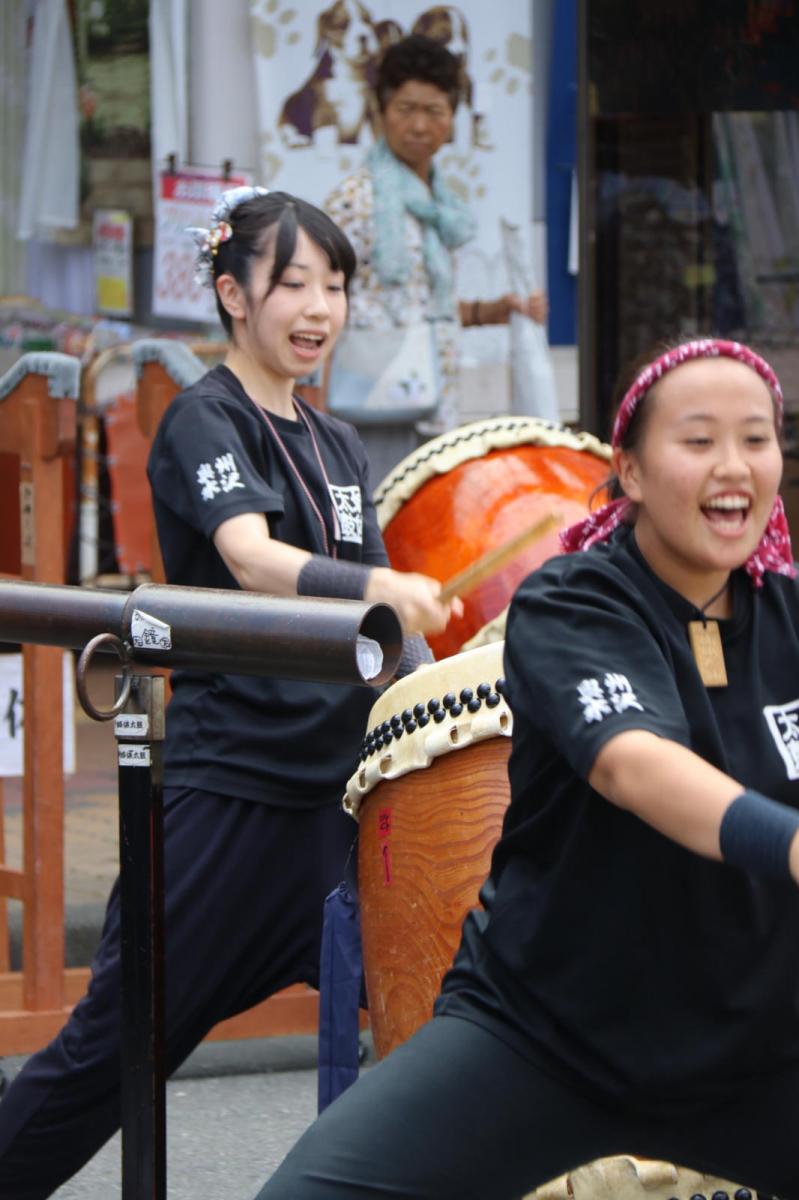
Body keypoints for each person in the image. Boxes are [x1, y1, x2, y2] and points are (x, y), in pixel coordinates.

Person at [253, 337, 799, 1200]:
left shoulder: (790, 616)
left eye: (756, 439)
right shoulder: (573, 602)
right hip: (543, 1036)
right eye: (696, 441)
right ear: (627, 468)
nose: (732, 466)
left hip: (757, 1045)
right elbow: (632, 764)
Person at [0, 186, 460, 1200]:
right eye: (292, 281)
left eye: (334, 285)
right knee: (113, 1053)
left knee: (445, 1021)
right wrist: (380, 588)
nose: (318, 306)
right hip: (232, 796)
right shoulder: (203, 420)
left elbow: (381, 640)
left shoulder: (338, 445)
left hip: (334, 804)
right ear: (231, 294)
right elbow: (251, 559)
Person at [324, 34, 547, 433]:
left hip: (436, 405)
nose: (420, 126)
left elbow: (422, 306)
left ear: (451, 119)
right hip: (370, 407)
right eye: (406, 109)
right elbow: (318, 301)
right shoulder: (354, 200)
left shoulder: (441, 206)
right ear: (381, 112)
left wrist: (495, 311)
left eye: (434, 111)